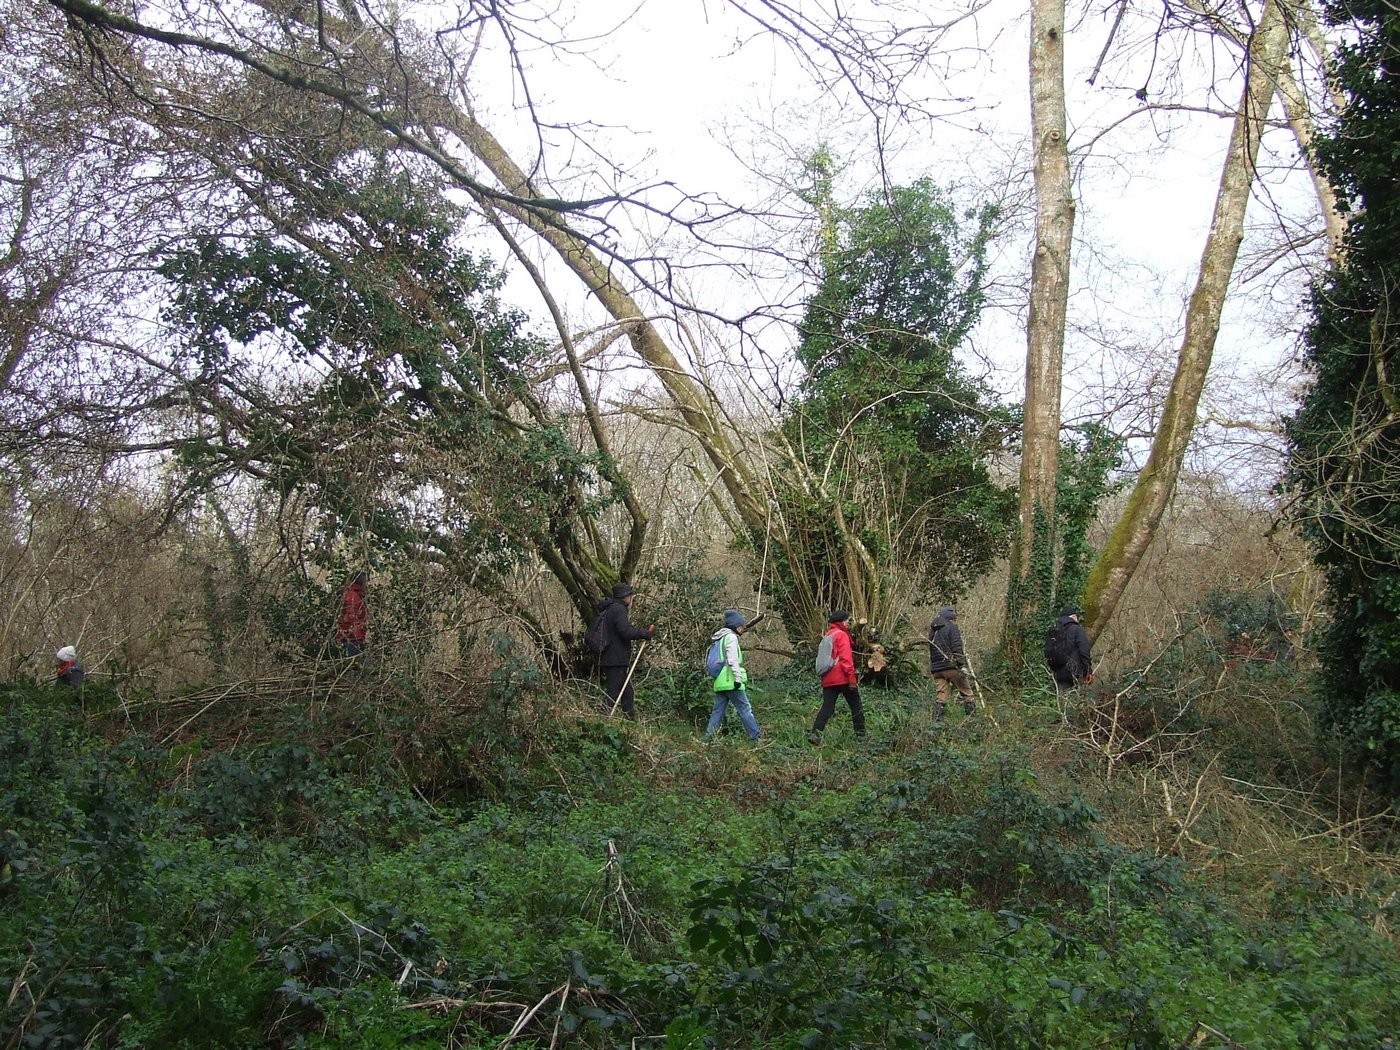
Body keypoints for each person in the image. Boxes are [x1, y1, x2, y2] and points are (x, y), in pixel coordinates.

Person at [597, 582, 655, 720]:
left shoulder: (610, 609)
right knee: (614, 691)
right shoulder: (619, 609)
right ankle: (603, 718)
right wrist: (644, 633)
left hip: (612, 657)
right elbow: (625, 631)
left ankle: (629, 719)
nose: (631, 598)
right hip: (616, 658)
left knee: (627, 691)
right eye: (630, 595)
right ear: (625, 597)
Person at [808, 609, 866, 744]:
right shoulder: (842, 635)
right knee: (855, 705)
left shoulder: (828, 634)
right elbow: (846, 659)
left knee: (827, 707)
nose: (848, 624)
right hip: (843, 677)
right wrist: (852, 679)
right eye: (847, 621)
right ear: (842, 621)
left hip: (828, 677)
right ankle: (861, 736)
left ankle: (815, 734)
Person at [704, 609, 762, 742]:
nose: (743, 628)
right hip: (731, 680)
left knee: (718, 711)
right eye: (741, 626)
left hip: (721, 681)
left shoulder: (720, 638)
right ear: (736, 626)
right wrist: (737, 679)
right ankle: (756, 737)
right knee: (745, 709)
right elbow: (732, 660)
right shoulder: (731, 638)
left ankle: (708, 738)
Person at [927, 606, 975, 719]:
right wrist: (962, 665)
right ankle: (973, 722)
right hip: (951, 666)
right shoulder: (952, 627)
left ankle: (936, 724)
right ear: (951, 617)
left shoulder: (933, 630)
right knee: (967, 692)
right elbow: (956, 647)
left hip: (937, 669)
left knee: (941, 697)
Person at [1046, 606, 1093, 687]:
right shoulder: (1076, 629)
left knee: (1062, 697)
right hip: (1075, 672)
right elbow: (1084, 650)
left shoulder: (1054, 630)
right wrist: (1088, 671)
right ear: (1074, 617)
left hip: (1058, 674)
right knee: (1077, 697)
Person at [335, 572, 369, 661]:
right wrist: (357, 636)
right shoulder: (352, 596)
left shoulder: (356, 594)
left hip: (353, 637)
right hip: (352, 638)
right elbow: (351, 617)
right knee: (360, 666)